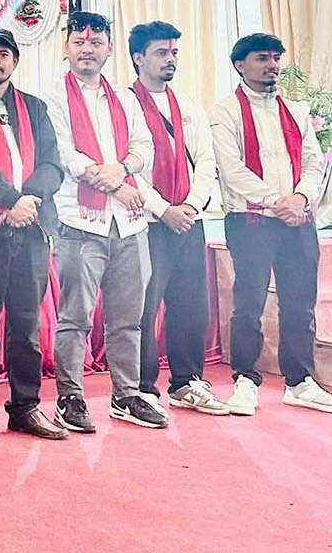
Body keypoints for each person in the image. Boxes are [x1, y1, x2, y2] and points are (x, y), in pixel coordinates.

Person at [208, 33, 332, 415]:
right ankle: (244, 381)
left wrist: (300, 199)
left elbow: (314, 162)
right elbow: (232, 170)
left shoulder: (296, 110)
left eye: (275, 58)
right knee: (249, 304)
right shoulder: (225, 112)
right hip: (251, 220)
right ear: (240, 64)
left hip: (297, 220)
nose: (272, 65)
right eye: (262, 58)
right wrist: (277, 201)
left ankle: (300, 381)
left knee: (300, 304)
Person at [45, 11, 165, 431]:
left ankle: (126, 395)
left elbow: (144, 147)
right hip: (80, 223)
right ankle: (69, 397)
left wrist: (123, 169)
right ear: (66, 47)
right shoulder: (53, 98)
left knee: (128, 318)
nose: (87, 49)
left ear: (109, 49)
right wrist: (116, 183)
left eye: (96, 43)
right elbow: (65, 155)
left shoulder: (125, 99)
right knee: (75, 318)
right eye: (79, 42)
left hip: (130, 223)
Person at [0, 27, 69, 446]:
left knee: (26, 323)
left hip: (31, 227)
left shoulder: (35, 107)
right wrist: (11, 200)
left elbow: (53, 164)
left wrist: (30, 200)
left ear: (15, 61)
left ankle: (25, 407)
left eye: (3, 54)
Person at [127, 21, 228, 416]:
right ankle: (142, 388)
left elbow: (205, 160)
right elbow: (127, 166)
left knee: (191, 304)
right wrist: (162, 209)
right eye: (161, 53)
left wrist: (191, 206)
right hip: (147, 222)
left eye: (173, 53)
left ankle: (187, 381)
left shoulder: (187, 104)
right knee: (144, 308)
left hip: (188, 219)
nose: (170, 60)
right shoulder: (124, 104)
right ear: (138, 57)